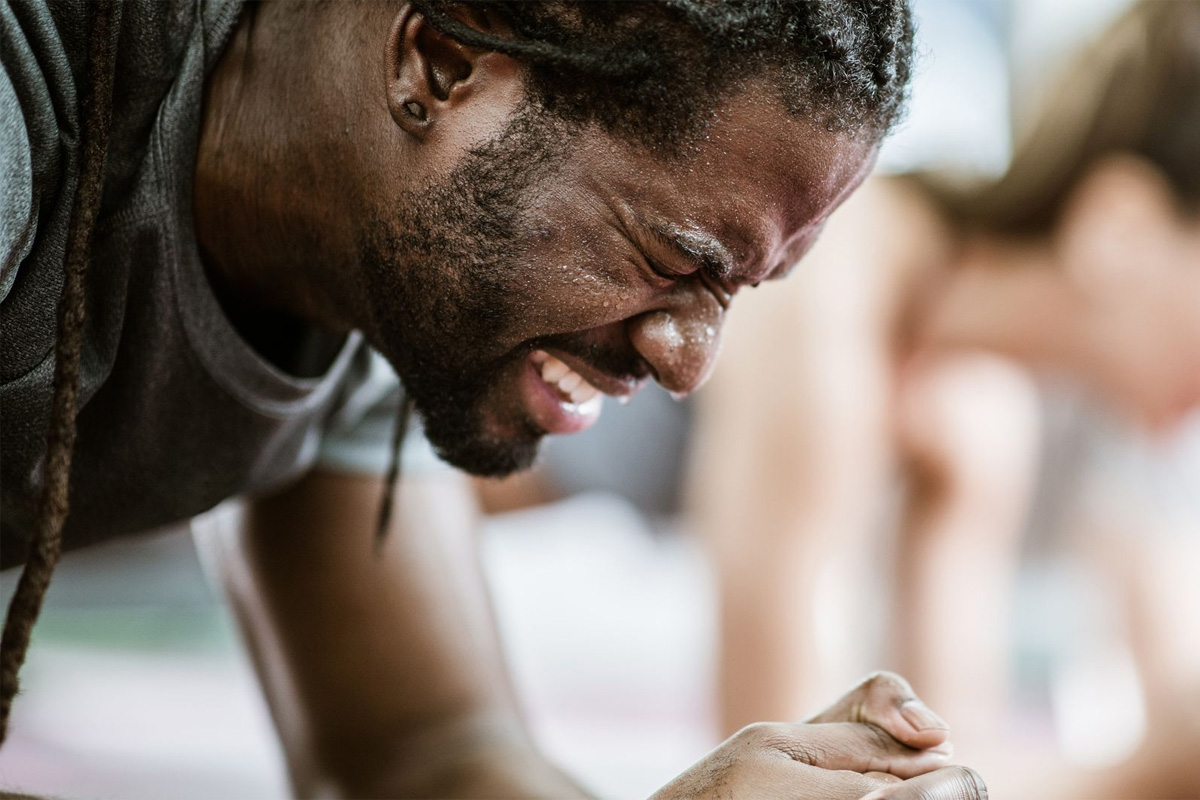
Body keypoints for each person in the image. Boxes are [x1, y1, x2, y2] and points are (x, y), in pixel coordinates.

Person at [1, 1, 990, 797]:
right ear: (440, 64)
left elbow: (421, 750)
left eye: (735, 293)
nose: (693, 366)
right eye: (675, 260)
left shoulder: (397, 278)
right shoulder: (22, 111)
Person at [692, 0, 1200, 792]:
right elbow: (771, 777)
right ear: (1122, 226)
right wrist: (1148, 770)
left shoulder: (981, 403)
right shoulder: (831, 288)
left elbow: (942, 781)